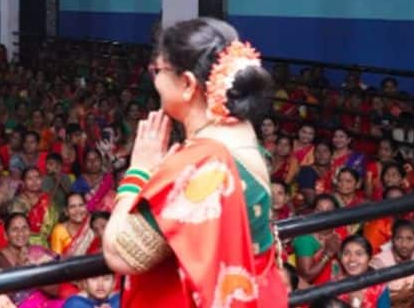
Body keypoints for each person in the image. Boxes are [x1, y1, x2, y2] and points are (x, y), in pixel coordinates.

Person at [102, 18, 287, 307]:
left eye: (158, 70)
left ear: (187, 83)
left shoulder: (203, 161)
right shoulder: (242, 133)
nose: (156, 80)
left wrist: (139, 171)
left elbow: (120, 253)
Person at [0, 213, 62, 308]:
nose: (21, 233)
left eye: (24, 228)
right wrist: (20, 267)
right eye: (15, 229)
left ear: (30, 232)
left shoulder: (37, 252)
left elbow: (54, 290)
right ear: (5, 235)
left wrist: (32, 270)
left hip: (45, 303)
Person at [335, 235, 391, 307]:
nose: (352, 259)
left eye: (359, 254)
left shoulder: (379, 287)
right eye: (346, 253)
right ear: (341, 257)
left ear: (369, 258)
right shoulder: (334, 287)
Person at [369, 219, 414, 308]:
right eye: (399, 238)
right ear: (392, 240)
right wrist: (396, 298)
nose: (404, 244)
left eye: (410, 239)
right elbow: (369, 297)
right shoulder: (379, 262)